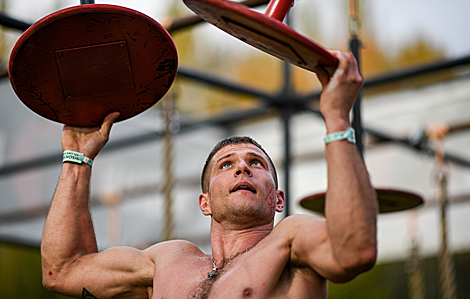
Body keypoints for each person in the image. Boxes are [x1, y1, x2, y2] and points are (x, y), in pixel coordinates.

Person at [41, 50, 377, 299]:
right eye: (226, 165)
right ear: (205, 202)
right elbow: (63, 270)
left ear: (278, 199)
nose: (243, 167)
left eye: (256, 163)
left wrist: (337, 119)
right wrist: (78, 157)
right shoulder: (167, 261)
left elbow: (354, 252)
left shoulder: (291, 240)